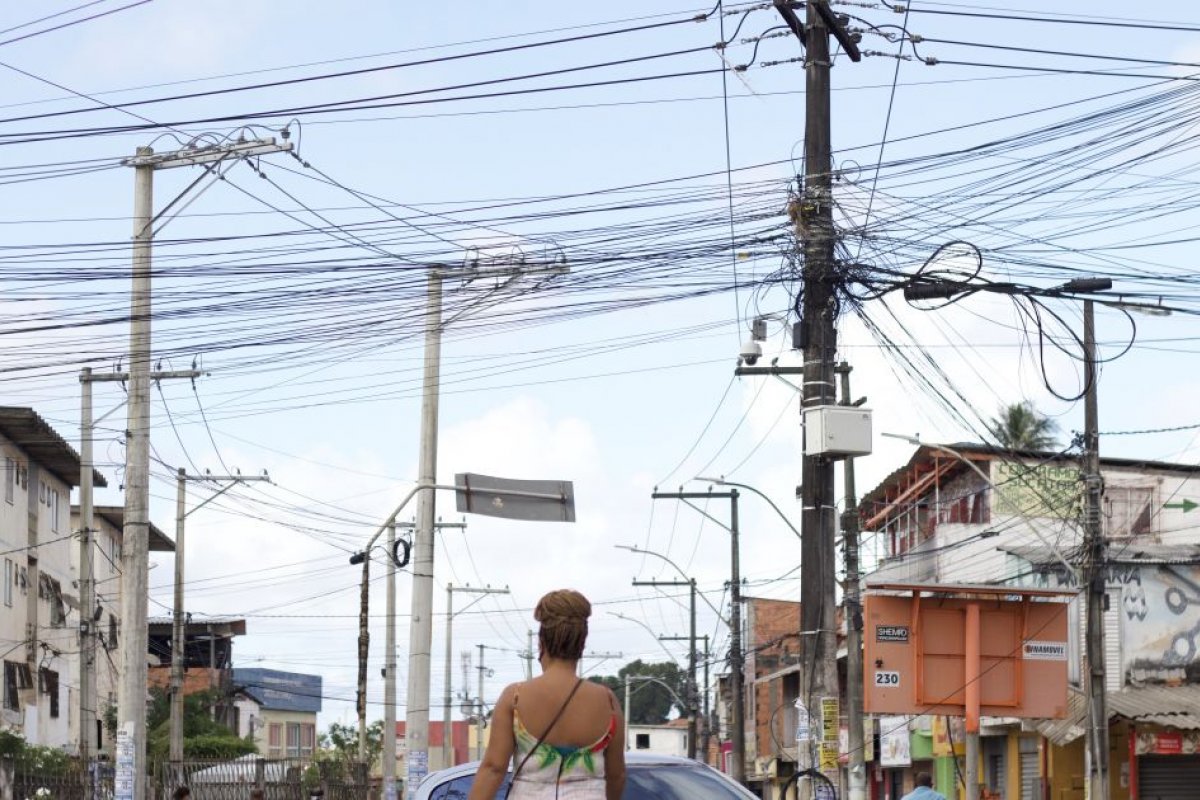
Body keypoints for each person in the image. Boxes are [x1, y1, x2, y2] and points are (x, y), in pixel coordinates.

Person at [469, 589, 626, 800]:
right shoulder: (608, 702)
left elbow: (493, 769)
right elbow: (616, 776)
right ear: (582, 644)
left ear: (541, 643)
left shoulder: (515, 698)